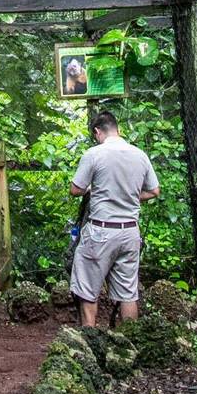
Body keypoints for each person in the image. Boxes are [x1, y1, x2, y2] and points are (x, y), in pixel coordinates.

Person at [68, 110, 159, 328]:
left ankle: (88, 342)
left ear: (98, 132)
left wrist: (96, 190)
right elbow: (154, 191)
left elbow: (75, 189)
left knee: (88, 290)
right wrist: (127, 195)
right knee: (128, 292)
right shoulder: (139, 155)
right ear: (117, 130)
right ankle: (130, 343)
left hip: (101, 231)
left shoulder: (94, 154)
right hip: (129, 232)